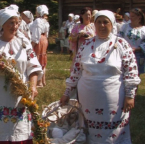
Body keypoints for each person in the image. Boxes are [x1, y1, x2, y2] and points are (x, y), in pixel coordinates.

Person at [60, 10, 141, 144]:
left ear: (112, 24)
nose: (102, 25)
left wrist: (130, 95)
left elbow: (131, 71)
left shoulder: (121, 44)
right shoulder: (86, 44)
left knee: (112, 132)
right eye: (99, 22)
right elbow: (76, 71)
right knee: (90, 131)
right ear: (94, 24)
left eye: (105, 22)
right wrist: (67, 92)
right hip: (88, 99)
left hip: (114, 98)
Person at [0, 9, 43, 144]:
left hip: (19, 96)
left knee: (20, 132)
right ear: (2, 24)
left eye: (16, 23)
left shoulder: (24, 43)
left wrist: (32, 86)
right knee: (0, 134)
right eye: (11, 23)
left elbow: (34, 67)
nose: (15, 26)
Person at [119, 8, 145, 75]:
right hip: (125, 53)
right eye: (130, 16)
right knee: (124, 72)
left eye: (133, 16)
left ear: (139, 17)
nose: (131, 18)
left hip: (138, 54)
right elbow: (119, 38)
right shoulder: (124, 27)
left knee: (136, 74)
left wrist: (137, 48)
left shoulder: (143, 29)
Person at [31, 5, 50, 87]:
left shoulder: (38, 21)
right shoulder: (46, 21)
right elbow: (46, 33)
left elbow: (36, 34)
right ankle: (43, 81)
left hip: (39, 40)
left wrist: (32, 45)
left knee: (37, 60)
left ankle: (39, 82)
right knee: (42, 60)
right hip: (44, 39)